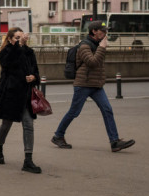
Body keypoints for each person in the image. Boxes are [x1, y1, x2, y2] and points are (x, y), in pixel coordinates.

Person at [51, 21, 135, 152]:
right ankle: (58, 136)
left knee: (107, 110)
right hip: (83, 84)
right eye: (102, 30)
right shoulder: (84, 45)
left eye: (106, 30)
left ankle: (114, 141)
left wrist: (101, 47)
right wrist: (102, 47)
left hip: (96, 85)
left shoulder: (96, 44)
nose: (105, 32)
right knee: (74, 112)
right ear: (94, 31)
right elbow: (92, 63)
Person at [0, 28, 42, 174]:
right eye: (16, 37)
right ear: (9, 39)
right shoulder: (6, 52)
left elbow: (36, 71)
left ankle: (28, 160)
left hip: (26, 94)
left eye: (22, 37)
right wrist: (18, 46)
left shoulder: (29, 52)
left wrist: (34, 77)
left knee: (28, 124)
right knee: (6, 123)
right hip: (10, 94)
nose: (20, 39)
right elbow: (8, 63)